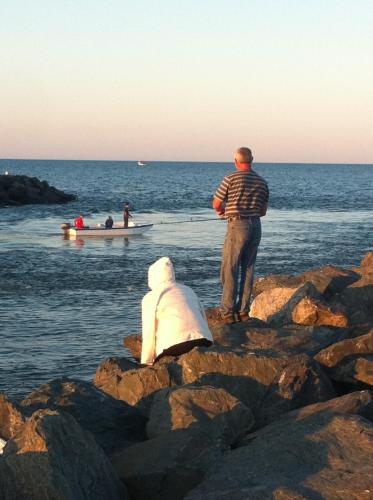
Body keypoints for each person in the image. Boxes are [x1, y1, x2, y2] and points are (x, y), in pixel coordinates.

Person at [212, 147, 269, 323]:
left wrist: (223, 212)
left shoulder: (230, 178)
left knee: (230, 267)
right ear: (251, 160)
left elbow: (216, 204)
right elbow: (263, 211)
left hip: (237, 225)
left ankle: (227, 311)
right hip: (255, 226)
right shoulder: (261, 182)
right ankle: (243, 310)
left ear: (236, 161)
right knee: (248, 268)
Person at [141, 257, 213, 365]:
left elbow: (148, 332)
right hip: (203, 341)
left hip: (174, 346)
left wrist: (146, 362)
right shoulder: (188, 290)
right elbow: (203, 316)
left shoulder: (150, 297)